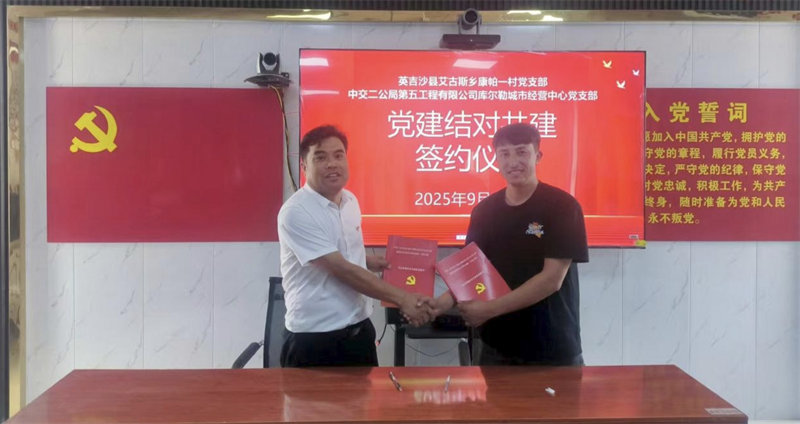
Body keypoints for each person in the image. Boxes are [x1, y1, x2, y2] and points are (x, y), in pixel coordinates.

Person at [429, 123, 589, 366]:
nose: (513, 162)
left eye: (521, 151)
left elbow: (551, 280)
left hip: (552, 346)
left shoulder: (563, 207)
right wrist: (438, 305)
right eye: (504, 154)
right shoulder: (484, 211)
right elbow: (471, 272)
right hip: (497, 346)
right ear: (496, 159)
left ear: (538, 156)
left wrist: (489, 309)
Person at [277, 124, 434, 368]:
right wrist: (403, 299)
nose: (332, 164)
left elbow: (342, 254)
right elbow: (342, 270)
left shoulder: (350, 201)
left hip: (359, 331)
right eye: (321, 157)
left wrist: (369, 261)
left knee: (363, 395)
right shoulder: (296, 212)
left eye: (338, 155)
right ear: (304, 166)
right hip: (314, 339)